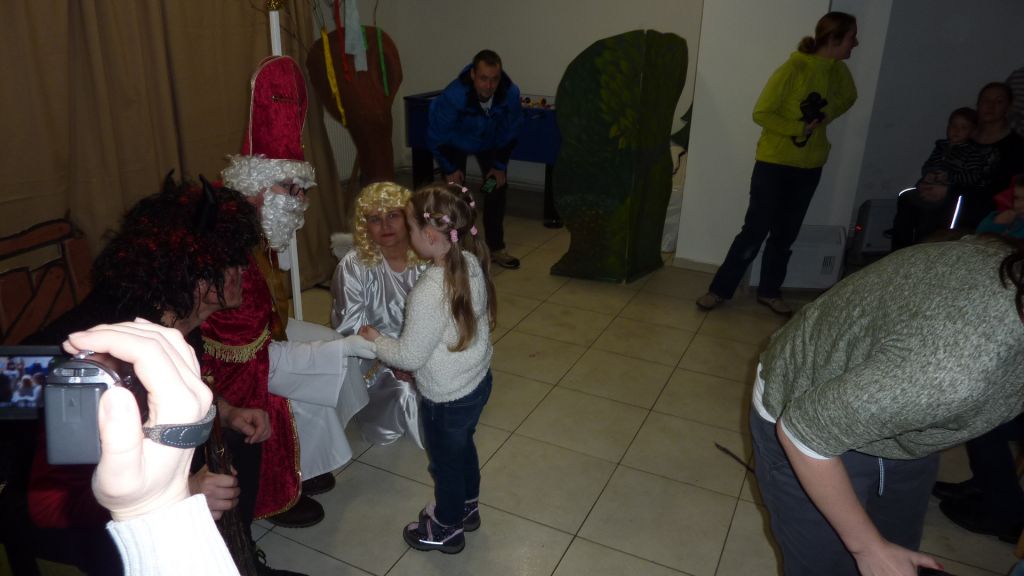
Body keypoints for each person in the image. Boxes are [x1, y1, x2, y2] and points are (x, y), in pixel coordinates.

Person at [22, 177, 294, 574]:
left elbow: (180, 388)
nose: (244, 268)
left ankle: (241, 558)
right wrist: (179, 495)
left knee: (238, 438)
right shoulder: (92, 370)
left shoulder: (174, 317)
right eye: (233, 260)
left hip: (129, 466)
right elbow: (49, 504)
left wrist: (228, 410)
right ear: (193, 276)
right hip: (80, 513)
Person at [750, 234, 1024, 575]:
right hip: (808, 409)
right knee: (835, 563)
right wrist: (867, 547)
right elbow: (803, 432)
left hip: (898, 408)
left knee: (898, 552)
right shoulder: (953, 373)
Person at [210, 54, 376, 529]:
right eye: (292, 189)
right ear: (258, 186)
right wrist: (342, 349)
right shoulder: (229, 252)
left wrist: (335, 347)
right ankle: (277, 489)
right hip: (221, 366)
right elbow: (248, 362)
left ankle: (308, 462)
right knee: (308, 374)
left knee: (324, 343)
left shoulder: (253, 224)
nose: (301, 202)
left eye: (303, 190)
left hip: (259, 339)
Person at [358, 183, 496, 554]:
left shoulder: (429, 291)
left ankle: (447, 526)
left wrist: (376, 340)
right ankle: (468, 506)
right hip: (476, 383)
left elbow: (409, 357)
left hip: (447, 397)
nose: (406, 233)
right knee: (462, 448)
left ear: (430, 235)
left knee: (445, 464)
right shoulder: (469, 262)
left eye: (410, 226)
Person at [697, 12, 858, 316]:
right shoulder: (794, 68)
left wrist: (825, 115)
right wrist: (799, 128)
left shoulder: (839, 71)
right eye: (852, 37)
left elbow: (849, 97)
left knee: (786, 234)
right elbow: (761, 113)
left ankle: (770, 292)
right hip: (774, 163)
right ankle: (719, 290)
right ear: (835, 39)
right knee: (755, 230)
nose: (856, 43)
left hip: (810, 166)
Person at [76, 320, 241, 576]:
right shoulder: (74, 406)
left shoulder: (189, 338)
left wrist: (227, 413)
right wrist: (168, 501)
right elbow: (47, 507)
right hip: (101, 539)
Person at [331, 182, 427, 447]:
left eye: (393, 215)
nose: (385, 226)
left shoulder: (426, 256)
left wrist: (417, 358)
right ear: (365, 226)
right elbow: (350, 326)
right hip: (375, 358)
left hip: (423, 349)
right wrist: (396, 361)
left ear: (408, 218)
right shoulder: (353, 265)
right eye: (375, 219)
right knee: (406, 392)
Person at [427, 49, 524, 270]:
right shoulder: (455, 95)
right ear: (473, 75)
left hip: (489, 143)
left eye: (494, 79)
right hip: (454, 143)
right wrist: (450, 168)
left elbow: (512, 130)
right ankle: (453, 251)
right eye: (483, 79)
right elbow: (437, 134)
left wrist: (499, 166)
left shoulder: (509, 93)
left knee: (496, 188)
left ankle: (496, 248)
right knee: (454, 195)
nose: (489, 86)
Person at [890, 107, 995, 249]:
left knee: (928, 219)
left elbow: (972, 177)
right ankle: (900, 245)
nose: (957, 130)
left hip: (948, 194)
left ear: (972, 131)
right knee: (905, 197)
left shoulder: (972, 152)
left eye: (963, 128)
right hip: (929, 186)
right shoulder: (941, 147)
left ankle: (924, 246)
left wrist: (949, 177)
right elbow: (928, 165)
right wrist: (929, 174)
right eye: (953, 126)